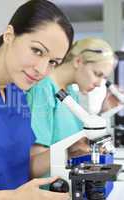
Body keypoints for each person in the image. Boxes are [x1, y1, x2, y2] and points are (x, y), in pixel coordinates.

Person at [0, 0, 74, 199]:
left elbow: (18, 166)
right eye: (37, 51)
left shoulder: (17, 91)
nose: (42, 70)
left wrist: (67, 150)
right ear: (9, 35)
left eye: (53, 62)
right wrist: (12, 197)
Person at [27, 37, 117, 172]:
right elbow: (33, 167)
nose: (99, 83)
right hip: (46, 190)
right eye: (97, 74)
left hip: (67, 184)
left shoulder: (70, 93)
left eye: (104, 78)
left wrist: (104, 111)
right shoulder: (43, 89)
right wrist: (70, 149)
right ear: (78, 61)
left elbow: (76, 144)